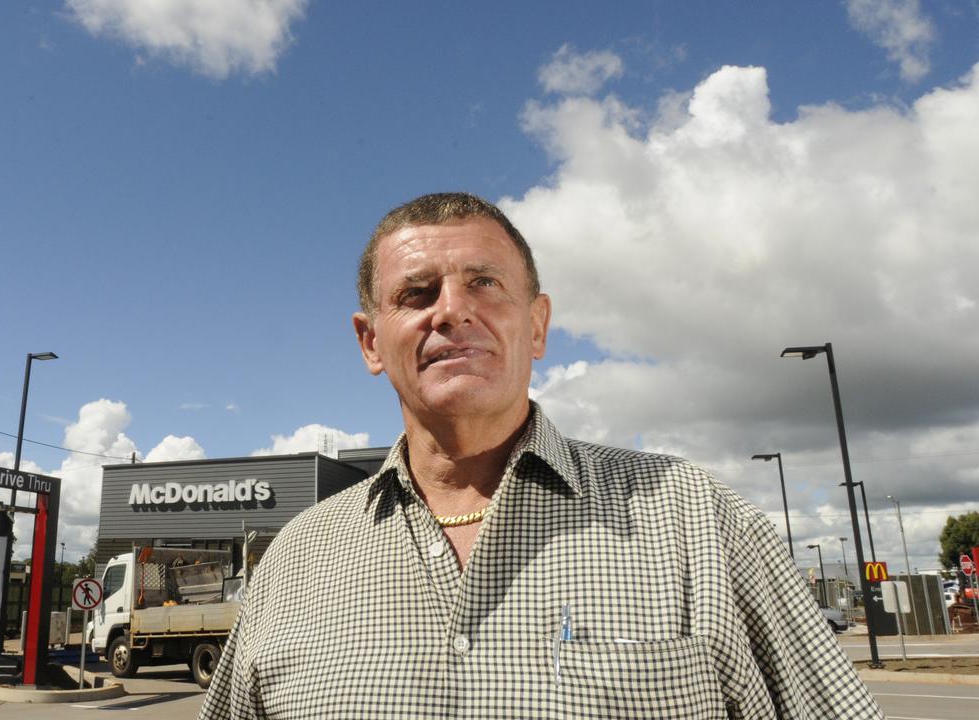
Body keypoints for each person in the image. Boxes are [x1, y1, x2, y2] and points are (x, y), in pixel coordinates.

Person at [199, 192, 882, 719]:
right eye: (416, 293)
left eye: (485, 284)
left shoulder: (697, 521)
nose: (452, 311)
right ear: (370, 342)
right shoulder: (296, 560)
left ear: (538, 325)